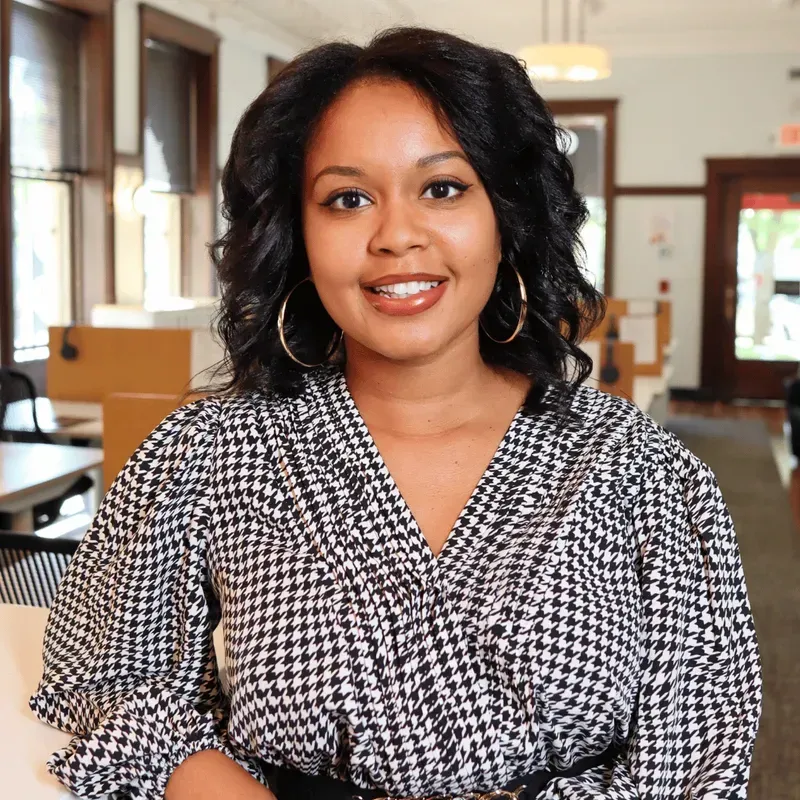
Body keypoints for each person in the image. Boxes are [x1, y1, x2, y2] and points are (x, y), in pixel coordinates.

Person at [30, 26, 761, 800]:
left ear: (506, 217)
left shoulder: (640, 471)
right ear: (297, 235)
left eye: (442, 188)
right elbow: (104, 670)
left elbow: (699, 754)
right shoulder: (211, 449)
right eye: (348, 199)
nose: (397, 237)